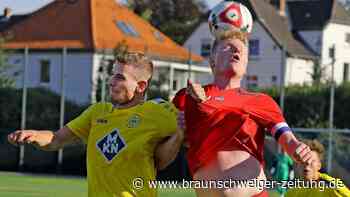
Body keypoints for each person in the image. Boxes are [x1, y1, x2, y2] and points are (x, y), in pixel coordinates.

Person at [172, 1, 318, 197]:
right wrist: (179, 133)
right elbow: (168, 147)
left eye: (242, 51)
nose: (236, 51)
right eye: (228, 47)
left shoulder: (260, 101)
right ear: (212, 59)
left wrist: (298, 149)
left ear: (246, 64)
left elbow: (287, 139)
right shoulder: (187, 97)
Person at [7, 52, 184, 197]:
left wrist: (179, 136)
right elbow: (57, 139)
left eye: (119, 77)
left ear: (141, 86)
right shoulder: (97, 111)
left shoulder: (158, 112)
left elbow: (192, 136)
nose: (111, 81)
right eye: (112, 75)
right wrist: (34, 135)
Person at [285, 139, 350, 197]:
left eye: (311, 160)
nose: (307, 163)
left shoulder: (331, 185)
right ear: (297, 165)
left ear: (319, 165)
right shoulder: (291, 192)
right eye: (303, 160)